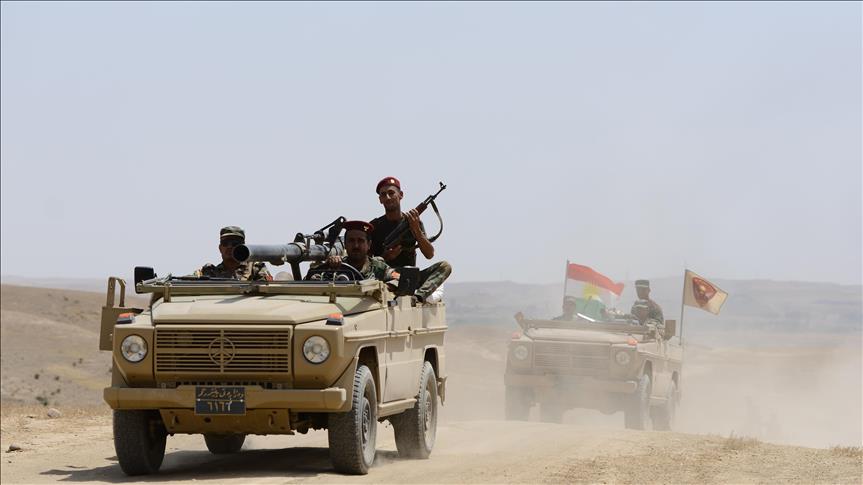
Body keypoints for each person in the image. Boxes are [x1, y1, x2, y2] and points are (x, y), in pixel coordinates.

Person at [368, 177, 452, 300]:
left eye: (391, 193)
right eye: (383, 195)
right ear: (380, 199)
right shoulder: (374, 226)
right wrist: (386, 257)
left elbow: (429, 254)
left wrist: (416, 230)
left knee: (445, 266)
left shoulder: (413, 222)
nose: (388, 197)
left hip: (410, 276)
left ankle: (418, 297)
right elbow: (367, 263)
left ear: (400, 195)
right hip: (387, 275)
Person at [327, 220, 448, 301]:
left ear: (369, 245)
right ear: (345, 245)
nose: (356, 245)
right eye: (351, 241)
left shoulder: (378, 267)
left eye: (361, 241)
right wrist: (330, 266)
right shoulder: (337, 265)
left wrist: (385, 287)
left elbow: (398, 278)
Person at [195, 226, 272, 281]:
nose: (229, 247)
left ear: (243, 247)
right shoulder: (209, 272)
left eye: (235, 243)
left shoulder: (256, 268)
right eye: (225, 243)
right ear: (220, 248)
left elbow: (266, 291)